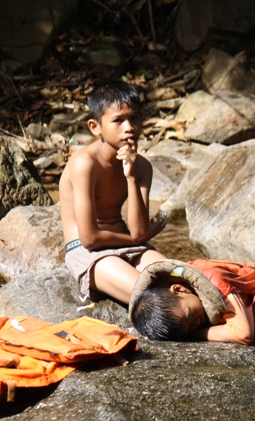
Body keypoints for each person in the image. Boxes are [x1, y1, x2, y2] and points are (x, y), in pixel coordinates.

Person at [60, 80, 168, 304]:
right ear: (95, 127)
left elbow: (139, 231)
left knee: (183, 283)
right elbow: (89, 238)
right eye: (118, 120)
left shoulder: (142, 167)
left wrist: (130, 176)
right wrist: (140, 238)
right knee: (154, 300)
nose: (129, 127)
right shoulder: (84, 162)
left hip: (131, 246)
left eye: (134, 118)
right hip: (88, 252)